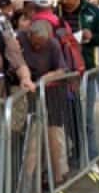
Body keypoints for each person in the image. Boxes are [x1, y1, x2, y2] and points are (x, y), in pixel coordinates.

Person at [54, 0, 99, 155]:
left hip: (86, 72)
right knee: (69, 117)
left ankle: (91, 155)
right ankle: (77, 151)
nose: (64, 1)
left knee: (87, 117)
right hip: (64, 74)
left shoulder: (92, 12)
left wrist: (92, 37)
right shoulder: (56, 13)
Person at [20, 20, 69, 183]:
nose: (37, 47)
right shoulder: (21, 39)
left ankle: (58, 174)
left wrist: (45, 79)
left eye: (41, 44)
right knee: (33, 136)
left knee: (54, 133)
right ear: (29, 35)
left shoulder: (53, 44)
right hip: (31, 93)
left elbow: (61, 69)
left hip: (52, 91)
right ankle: (30, 179)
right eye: (35, 43)